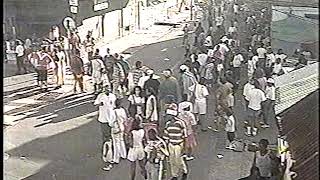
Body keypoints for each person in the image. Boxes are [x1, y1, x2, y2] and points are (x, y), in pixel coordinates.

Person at [94, 87, 117, 171]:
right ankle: (107, 152)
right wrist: (100, 104)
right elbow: (95, 104)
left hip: (111, 119)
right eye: (105, 88)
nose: (107, 89)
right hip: (103, 119)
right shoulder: (100, 96)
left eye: (108, 88)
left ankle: (111, 154)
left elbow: (114, 106)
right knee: (106, 137)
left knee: (111, 136)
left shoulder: (113, 96)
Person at [163, 104, 188, 180]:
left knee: (178, 161)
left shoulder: (180, 123)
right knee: (172, 161)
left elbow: (185, 136)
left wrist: (185, 147)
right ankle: (175, 175)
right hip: (171, 145)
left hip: (178, 144)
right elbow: (166, 137)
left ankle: (184, 171)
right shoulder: (168, 124)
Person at [111, 99, 127, 164]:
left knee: (116, 143)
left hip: (116, 128)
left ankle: (116, 158)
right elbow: (125, 118)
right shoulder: (122, 110)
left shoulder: (113, 111)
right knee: (121, 140)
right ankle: (124, 154)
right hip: (122, 127)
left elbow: (111, 122)